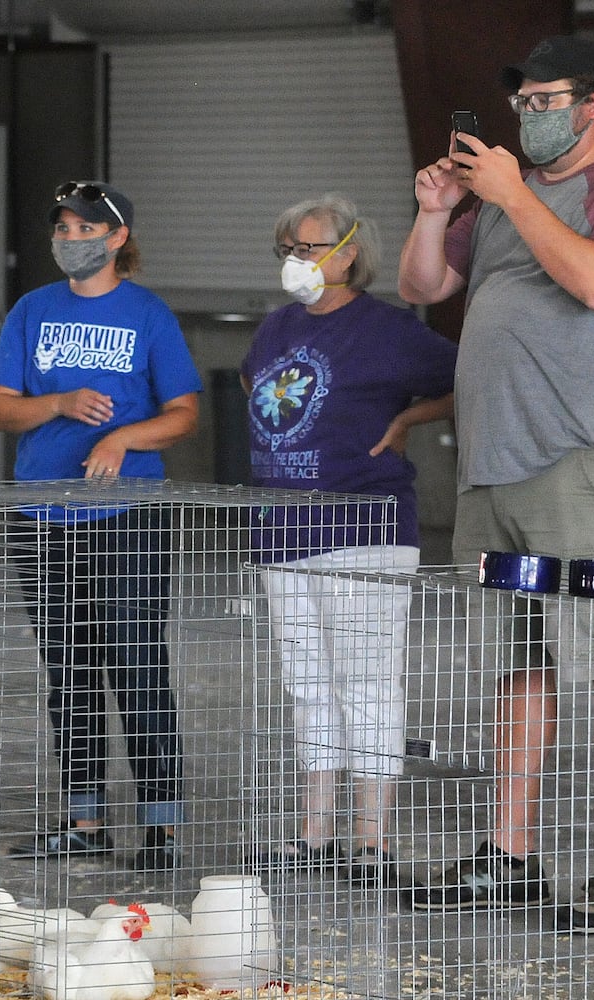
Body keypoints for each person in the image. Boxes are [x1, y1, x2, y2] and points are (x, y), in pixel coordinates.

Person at [397, 35, 594, 931]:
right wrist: (437, 209)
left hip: (577, 466)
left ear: (593, 104)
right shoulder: (495, 204)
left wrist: (515, 193)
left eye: (547, 100)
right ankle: (507, 856)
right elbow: (422, 283)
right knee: (520, 663)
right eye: (522, 103)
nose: (530, 116)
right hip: (493, 471)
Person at [0, 180, 202, 871]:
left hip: (123, 516)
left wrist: (124, 439)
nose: (71, 240)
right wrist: (59, 405)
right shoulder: (31, 310)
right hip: (41, 514)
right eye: (63, 229)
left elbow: (185, 411)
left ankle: (160, 826)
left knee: (137, 665)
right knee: (67, 669)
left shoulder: (148, 314)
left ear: (117, 239)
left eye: (86, 230)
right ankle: (84, 819)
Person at [242, 194, 456, 887]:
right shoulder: (276, 328)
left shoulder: (388, 330)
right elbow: (256, 384)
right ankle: (315, 831)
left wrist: (407, 421)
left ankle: (374, 840)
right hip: (283, 529)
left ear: (350, 252)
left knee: (366, 682)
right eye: (290, 250)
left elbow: (468, 376)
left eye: (309, 248)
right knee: (307, 684)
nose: (298, 262)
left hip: (364, 526)